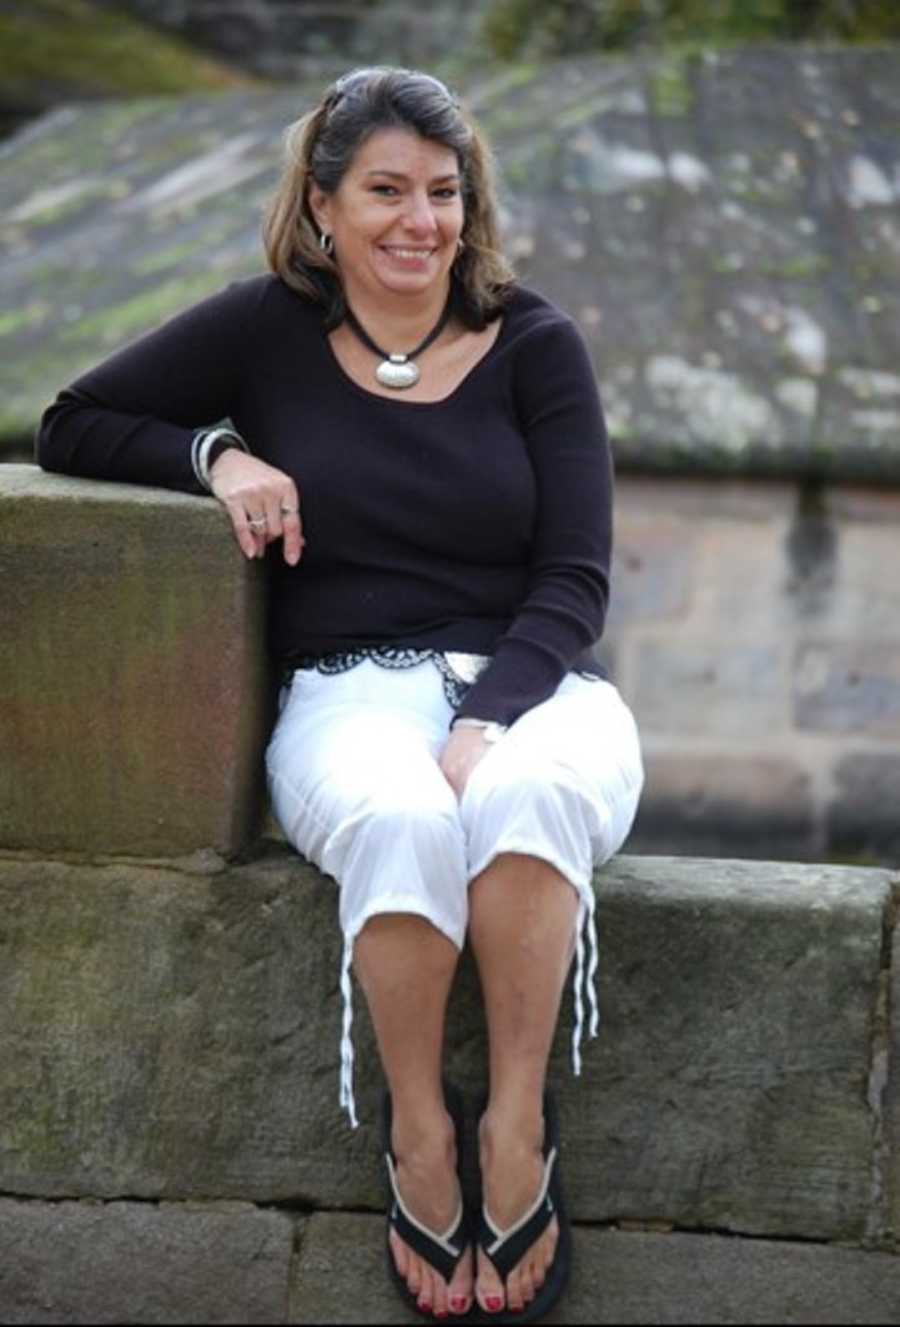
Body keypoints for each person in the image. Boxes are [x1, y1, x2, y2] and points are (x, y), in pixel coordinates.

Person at [36, 66, 644, 1323]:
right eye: (387, 191)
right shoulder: (263, 328)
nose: (422, 220)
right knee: (402, 816)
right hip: (346, 692)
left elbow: (576, 579)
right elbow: (73, 421)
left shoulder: (536, 341)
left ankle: (518, 1123)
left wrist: (488, 719)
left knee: (528, 790)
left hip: (537, 683)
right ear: (322, 206)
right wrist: (217, 452)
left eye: (445, 191)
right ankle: (421, 1133)